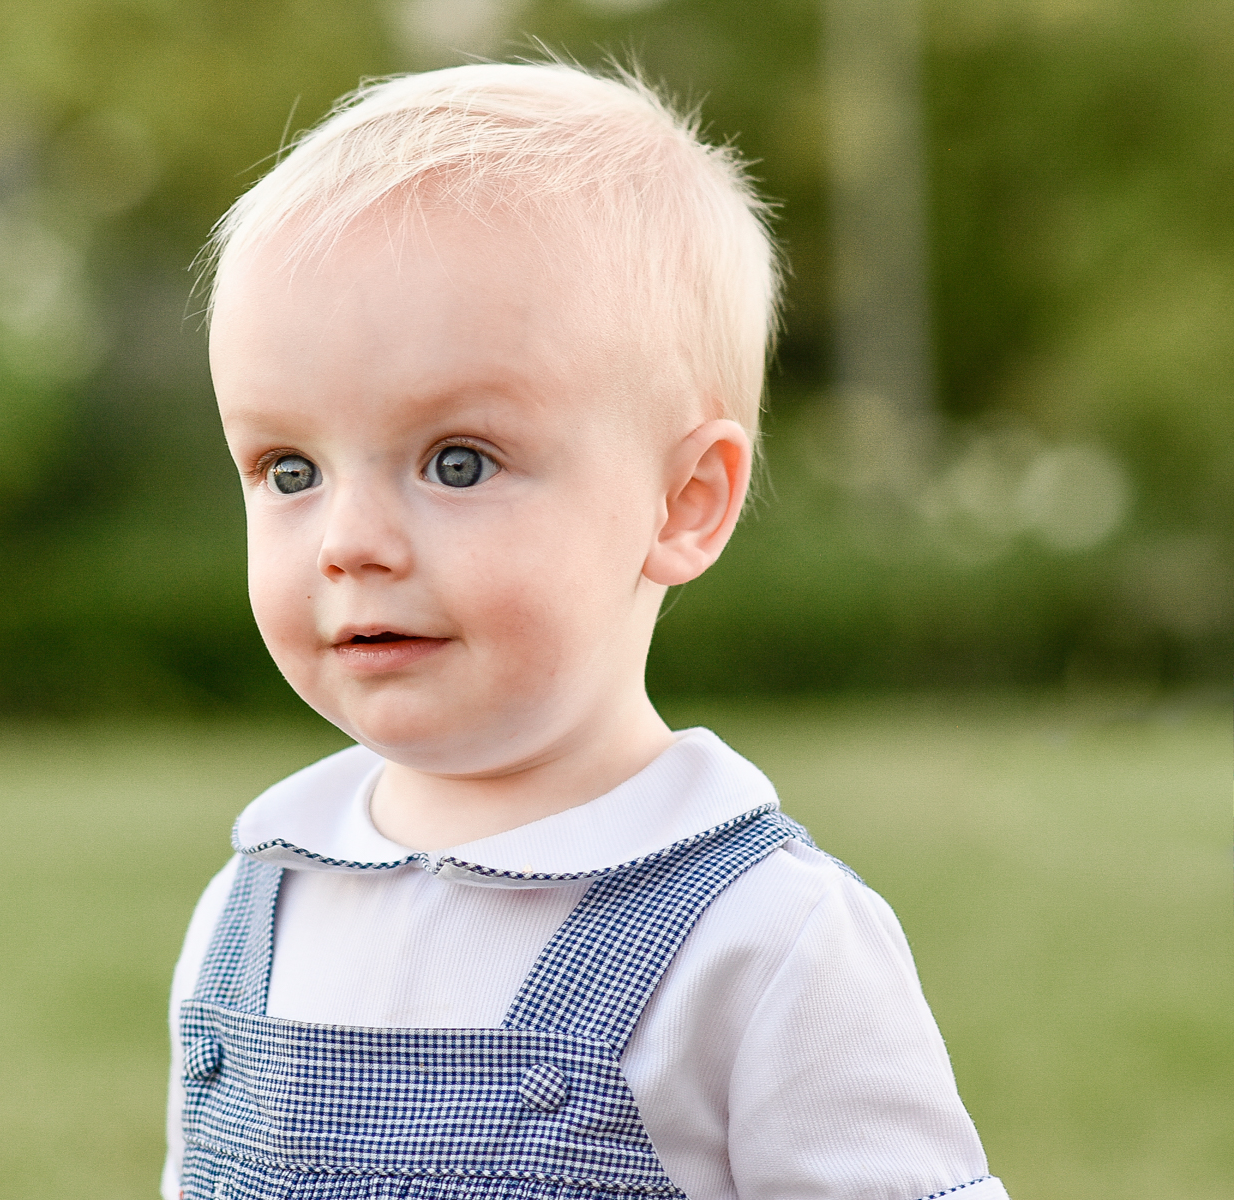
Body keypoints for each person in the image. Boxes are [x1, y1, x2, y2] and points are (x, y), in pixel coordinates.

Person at [164, 61, 1007, 1200]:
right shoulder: (252, 912)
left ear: (683, 502)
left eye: (456, 462)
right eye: (289, 469)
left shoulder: (762, 940)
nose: (346, 540)